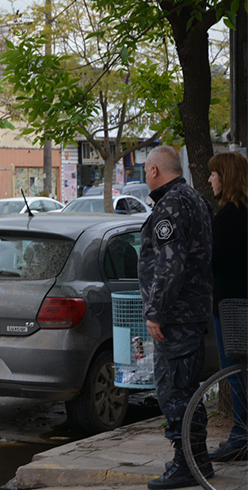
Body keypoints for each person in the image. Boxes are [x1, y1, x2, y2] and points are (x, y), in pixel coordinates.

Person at [138, 145, 214, 489]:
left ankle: (186, 463)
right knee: (186, 388)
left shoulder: (170, 205)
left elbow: (170, 267)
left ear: (154, 170)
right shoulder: (194, 198)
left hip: (178, 316)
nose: (144, 175)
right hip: (192, 311)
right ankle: (197, 460)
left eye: (145, 170)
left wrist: (156, 312)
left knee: (174, 391)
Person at [207, 151, 248, 462]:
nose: (210, 180)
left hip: (232, 306)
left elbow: (215, 261)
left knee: (236, 372)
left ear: (227, 177)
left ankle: (241, 434)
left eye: (214, 174)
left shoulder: (230, 216)